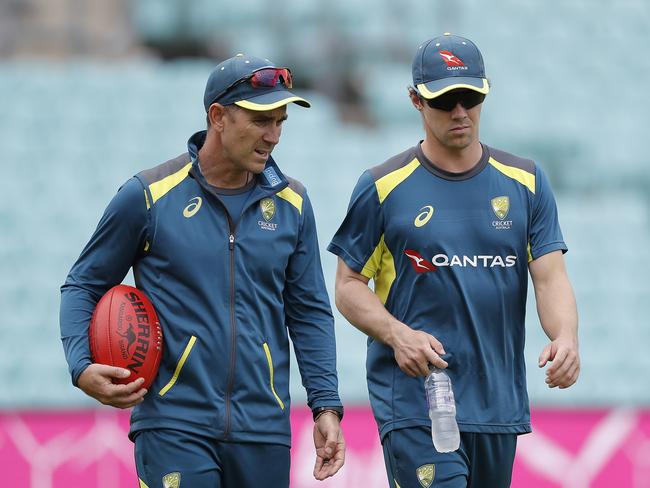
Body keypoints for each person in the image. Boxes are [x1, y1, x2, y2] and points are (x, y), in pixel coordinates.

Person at [60, 53, 345, 487]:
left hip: (264, 428)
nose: (273, 135)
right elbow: (83, 283)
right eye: (261, 120)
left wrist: (325, 406)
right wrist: (81, 366)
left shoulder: (293, 205)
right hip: (174, 422)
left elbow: (308, 313)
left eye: (280, 121)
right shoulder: (148, 196)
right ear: (218, 117)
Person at [328, 33, 579, 488]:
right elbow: (347, 285)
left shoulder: (526, 181)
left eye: (470, 97)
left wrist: (565, 337)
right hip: (416, 402)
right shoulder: (382, 185)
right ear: (415, 101)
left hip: (497, 404)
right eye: (445, 100)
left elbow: (549, 277)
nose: (460, 111)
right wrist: (396, 334)